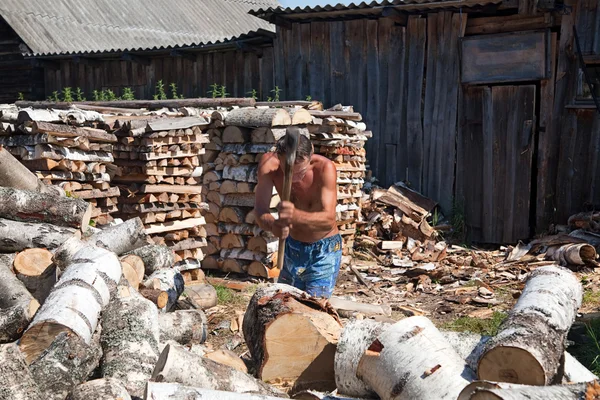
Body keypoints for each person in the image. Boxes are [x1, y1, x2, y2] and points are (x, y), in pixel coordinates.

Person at [254, 130, 342, 298]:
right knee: (283, 305)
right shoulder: (268, 165)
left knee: (314, 309)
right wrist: (273, 225)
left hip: (323, 250)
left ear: (311, 154)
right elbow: (260, 211)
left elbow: (328, 221)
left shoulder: (324, 169)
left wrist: (295, 216)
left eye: (299, 172)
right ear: (278, 157)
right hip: (292, 247)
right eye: (288, 171)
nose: (294, 178)